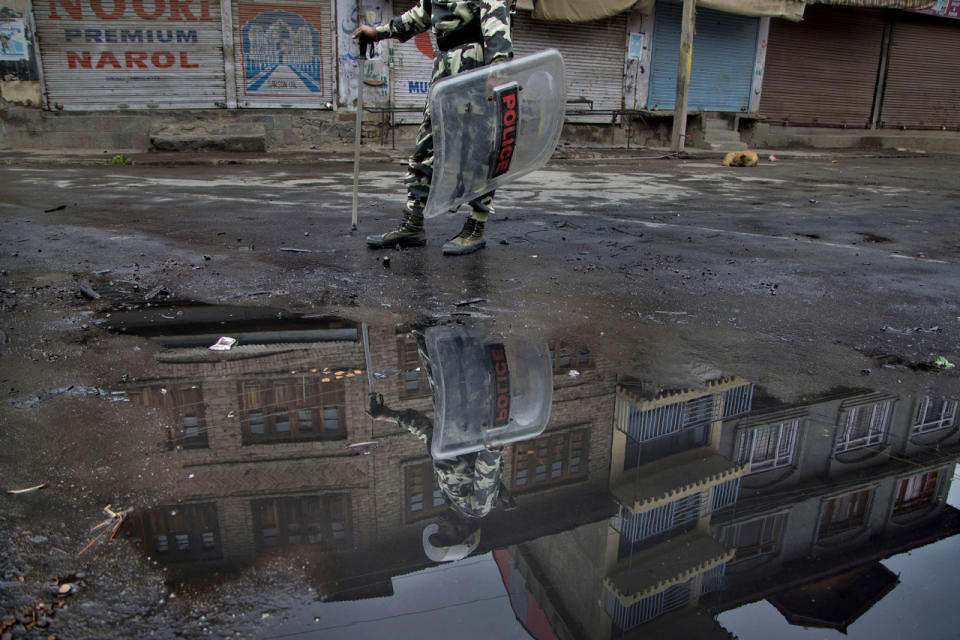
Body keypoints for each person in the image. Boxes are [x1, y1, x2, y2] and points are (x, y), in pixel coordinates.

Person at [353, 0, 514, 256]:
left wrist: (499, 68)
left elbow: (496, 19)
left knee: (480, 148)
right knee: (427, 146)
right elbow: (420, 15)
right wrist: (379, 32)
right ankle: (413, 223)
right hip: (444, 67)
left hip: (475, 66)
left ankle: (476, 225)